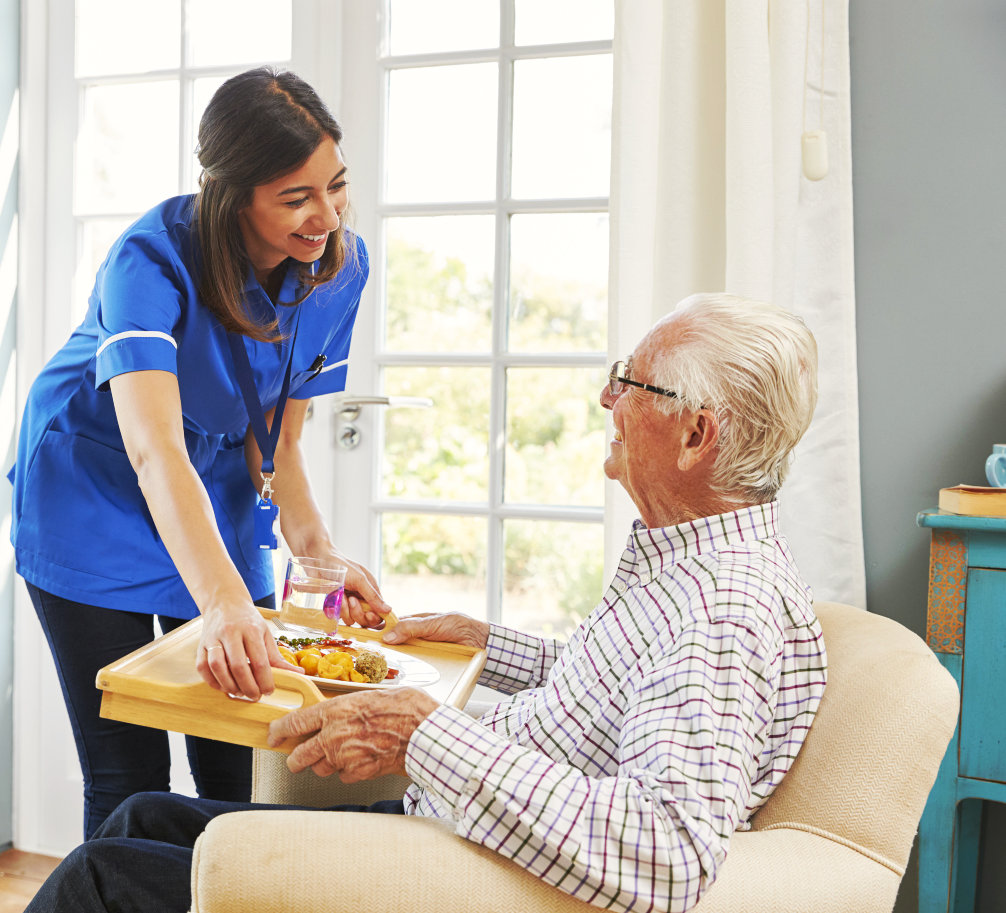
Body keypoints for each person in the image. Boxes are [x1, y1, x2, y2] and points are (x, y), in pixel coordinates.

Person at [25, 294, 828, 913]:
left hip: (461, 870)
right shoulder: (694, 568)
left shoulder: (724, 611)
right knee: (141, 816)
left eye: (631, 381)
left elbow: (664, 849)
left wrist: (422, 733)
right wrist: (489, 640)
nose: (605, 397)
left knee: (102, 874)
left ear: (696, 436)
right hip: (449, 826)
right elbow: (625, 689)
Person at [7, 67, 392, 839]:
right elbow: (153, 453)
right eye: (296, 197)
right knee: (128, 771)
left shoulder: (338, 268)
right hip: (95, 485)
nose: (326, 215)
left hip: (211, 482)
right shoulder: (149, 260)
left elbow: (277, 439)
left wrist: (319, 555)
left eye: (336, 186)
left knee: (238, 753)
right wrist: (221, 600)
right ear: (232, 192)